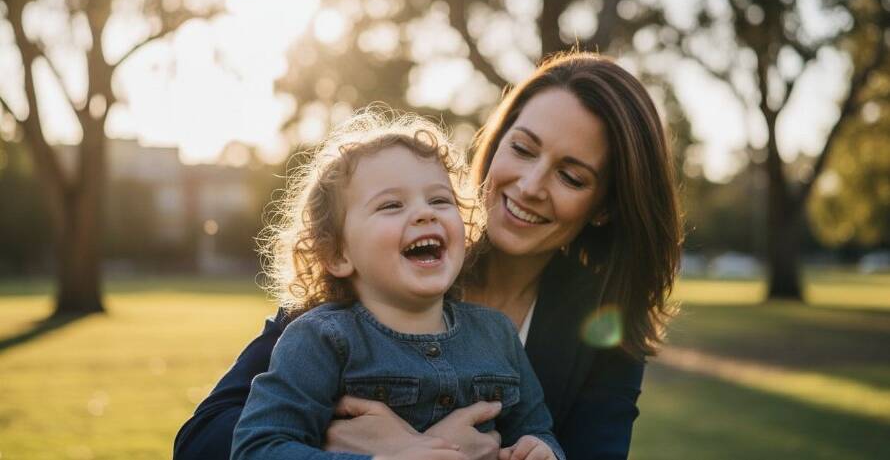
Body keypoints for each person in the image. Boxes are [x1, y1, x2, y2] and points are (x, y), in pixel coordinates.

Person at [174, 51, 682, 460]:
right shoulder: (379, 267)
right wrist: (372, 446)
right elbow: (204, 443)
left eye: (571, 176)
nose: (529, 186)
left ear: (604, 208)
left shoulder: (604, 325)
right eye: (523, 149)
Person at [230, 113, 564, 460]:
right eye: (391, 205)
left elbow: (536, 429)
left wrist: (540, 450)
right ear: (337, 253)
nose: (425, 214)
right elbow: (258, 448)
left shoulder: (497, 334)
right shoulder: (321, 340)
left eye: (439, 200)